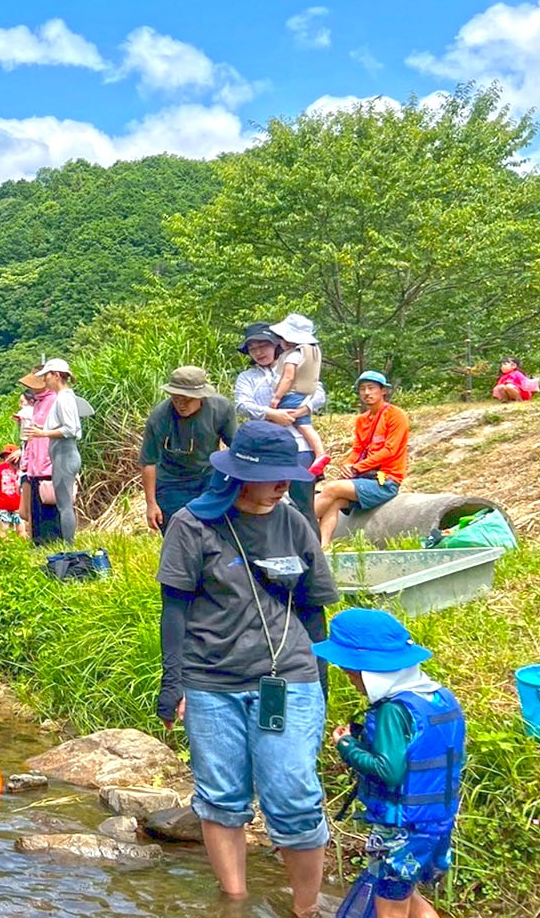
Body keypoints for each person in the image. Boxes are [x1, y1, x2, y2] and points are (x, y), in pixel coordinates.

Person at [156, 421, 339, 918]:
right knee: (220, 796)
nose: (285, 484)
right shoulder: (193, 524)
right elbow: (174, 608)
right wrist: (172, 684)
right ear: (240, 475)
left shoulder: (295, 522)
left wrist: (321, 683)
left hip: (288, 676)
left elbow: (312, 609)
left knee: (294, 792)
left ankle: (307, 909)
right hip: (211, 681)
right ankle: (233, 903)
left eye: (290, 475)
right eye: (274, 476)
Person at [313, 609, 466, 918]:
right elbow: (417, 749)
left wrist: (346, 746)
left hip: (403, 828)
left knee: (391, 906)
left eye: (351, 672)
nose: (350, 678)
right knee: (407, 895)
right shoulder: (438, 697)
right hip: (434, 823)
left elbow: (389, 770)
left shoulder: (392, 711)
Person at [233, 322, 327, 531]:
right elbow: (241, 405)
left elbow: (318, 392)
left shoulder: (295, 363)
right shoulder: (247, 378)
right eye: (253, 348)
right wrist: (272, 414)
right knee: (264, 504)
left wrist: (303, 410)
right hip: (264, 449)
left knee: (304, 505)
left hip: (299, 446)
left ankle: (312, 556)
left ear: (275, 345)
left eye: (263, 346)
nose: (259, 352)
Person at [316, 371, 411, 550]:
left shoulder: (396, 415)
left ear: (383, 391)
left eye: (371, 388)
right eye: (362, 389)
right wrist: (347, 465)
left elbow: (389, 450)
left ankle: (294, 526)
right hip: (363, 478)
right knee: (333, 501)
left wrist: (357, 467)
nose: (367, 393)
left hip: (385, 481)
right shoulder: (362, 420)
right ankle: (323, 546)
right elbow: (358, 450)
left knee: (331, 488)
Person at [140, 366, 238, 532]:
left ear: (201, 397)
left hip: (208, 476)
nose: (181, 404)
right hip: (171, 481)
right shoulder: (159, 417)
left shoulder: (220, 409)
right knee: (177, 533)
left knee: (216, 532)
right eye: (176, 398)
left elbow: (235, 448)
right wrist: (151, 504)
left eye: (187, 399)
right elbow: (148, 462)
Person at [268, 314, 331, 473]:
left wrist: (276, 398)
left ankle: (267, 450)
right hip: (304, 397)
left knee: (277, 423)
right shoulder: (307, 354)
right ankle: (320, 453)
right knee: (306, 426)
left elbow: (288, 377)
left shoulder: (293, 356)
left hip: (290, 397)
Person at [35, 358, 84, 543]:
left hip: (66, 454)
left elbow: (70, 429)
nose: (45, 380)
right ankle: (67, 541)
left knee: (64, 505)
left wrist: (43, 433)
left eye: (47, 375)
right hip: (62, 455)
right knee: (63, 504)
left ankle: (69, 544)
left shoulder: (64, 398)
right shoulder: (63, 398)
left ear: (56, 375)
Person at [18, 371, 61, 545]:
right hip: (34, 466)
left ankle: (52, 543)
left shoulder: (55, 401)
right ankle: (38, 543)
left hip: (48, 464)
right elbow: (30, 435)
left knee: (49, 509)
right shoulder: (36, 404)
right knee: (35, 511)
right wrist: (26, 461)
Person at [0, 443, 25, 537]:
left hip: (19, 504)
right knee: (4, 530)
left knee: (21, 529)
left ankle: (21, 547)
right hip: (4, 504)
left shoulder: (22, 467)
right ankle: (5, 548)